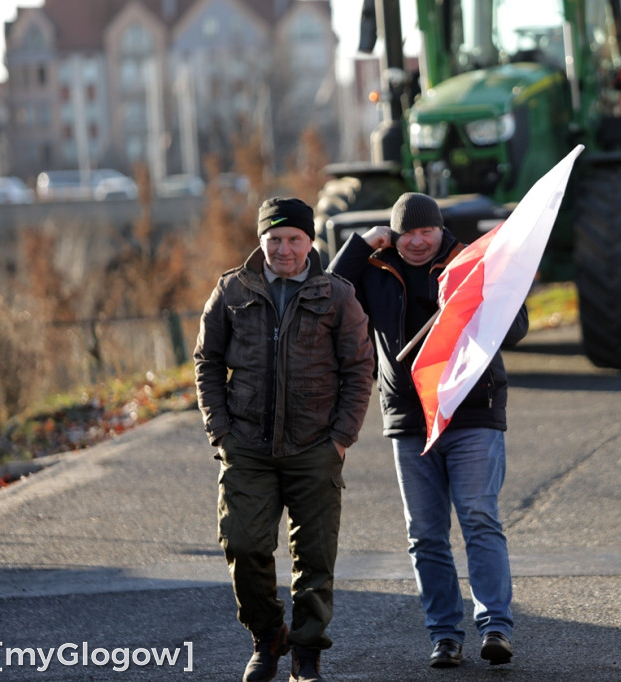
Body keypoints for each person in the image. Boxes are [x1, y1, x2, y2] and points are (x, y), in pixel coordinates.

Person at [329, 192, 526, 668]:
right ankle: (444, 635)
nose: (417, 241)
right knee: (425, 534)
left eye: (426, 231)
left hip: (471, 409)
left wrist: (478, 303)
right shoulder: (376, 269)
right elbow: (326, 293)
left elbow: (516, 327)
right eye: (407, 233)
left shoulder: (471, 264)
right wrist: (360, 245)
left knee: (479, 517)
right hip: (408, 418)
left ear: (441, 230)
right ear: (394, 236)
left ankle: (495, 627)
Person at [193, 197, 375, 682]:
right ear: (261, 241)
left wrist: (340, 438)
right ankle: (267, 634)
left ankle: (307, 652)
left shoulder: (336, 294)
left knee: (315, 558)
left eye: (294, 239)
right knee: (243, 545)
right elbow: (206, 362)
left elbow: (360, 368)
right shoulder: (231, 289)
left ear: (310, 241)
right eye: (274, 239)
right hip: (246, 446)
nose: (284, 249)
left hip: (315, 447)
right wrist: (222, 432)